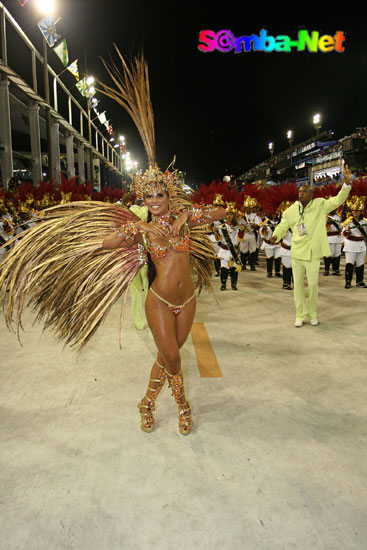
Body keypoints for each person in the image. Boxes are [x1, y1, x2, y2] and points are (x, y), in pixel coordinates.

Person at [102, 167, 226, 434]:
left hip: (188, 301)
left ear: (170, 196)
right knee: (173, 358)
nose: (154, 200)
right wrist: (138, 225)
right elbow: (107, 243)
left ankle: (146, 404)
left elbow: (222, 211)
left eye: (159, 194)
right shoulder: (142, 230)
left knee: (166, 357)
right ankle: (184, 407)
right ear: (142, 200)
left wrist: (186, 214)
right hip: (159, 301)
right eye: (148, 197)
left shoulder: (186, 220)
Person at [270, 166, 352, 326]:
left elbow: (337, 200)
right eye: (300, 192)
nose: (301, 194)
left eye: (304, 191)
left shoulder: (320, 205)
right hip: (297, 253)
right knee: (298, 287)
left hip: (313, 253)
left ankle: (313, 313)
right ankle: (300, 315)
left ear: (312, 194)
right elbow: (282, 225)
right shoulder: (292, 210)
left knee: (313, 285)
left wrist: (347, 184)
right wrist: (276, 235)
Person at [341, 200, 367, 289]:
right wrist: (347, 231)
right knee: (350, 263)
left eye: (356, 210)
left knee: (360, 264)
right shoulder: (348, 222)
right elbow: (343, 234)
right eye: (353, 211)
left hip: (361, 245)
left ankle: (359, 281)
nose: (354, 212)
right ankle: (348, 281)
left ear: (361, 211)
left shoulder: (365, 222)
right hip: (351, 245)